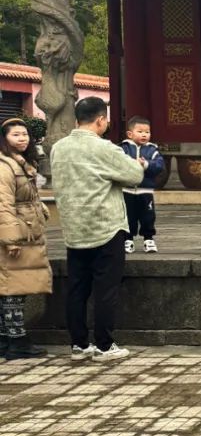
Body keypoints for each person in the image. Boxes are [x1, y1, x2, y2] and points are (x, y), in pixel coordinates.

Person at [50, 97, 145, 362]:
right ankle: (104, 345)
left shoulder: (58, 148)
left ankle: (79, 344)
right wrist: (137, 165)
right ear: (101, 120)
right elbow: (134, 176)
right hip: (105, 226)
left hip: (74, 227)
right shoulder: (104, 148)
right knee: (106, 288)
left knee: (77, 288)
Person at [0, 116, 51, 359]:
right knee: (13, 288)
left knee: (12, 287)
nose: (22, 139)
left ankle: (5, 340)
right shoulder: (5, 166)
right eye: (15, 135)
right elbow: (3, 205)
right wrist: (11, 239)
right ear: (4, 139)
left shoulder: (20, 162)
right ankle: (17, 340)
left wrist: (41, 209)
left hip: (26, 229)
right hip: (16, 234)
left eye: (25, 134)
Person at [121, 116, 165, 254]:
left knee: (148, 215)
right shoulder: (123, 149)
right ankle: (128, 239)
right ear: (130, 134)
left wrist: (145, 164)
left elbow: (159, 166)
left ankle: (148, 239)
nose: (144, 135)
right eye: (140, 131)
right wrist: (132, 164)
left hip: (145, 191)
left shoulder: (152, 150)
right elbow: (118, 164)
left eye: (147, 132)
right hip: (127, 190)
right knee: (128, 216)